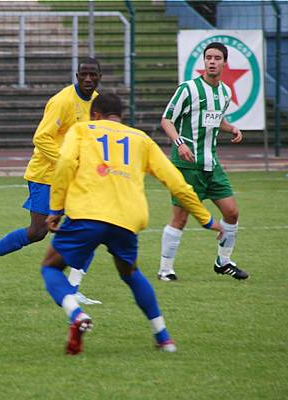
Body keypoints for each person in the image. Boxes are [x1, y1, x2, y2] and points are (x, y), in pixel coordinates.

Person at [40, 93, 223, 355]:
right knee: (131, 273)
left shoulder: (81, 130)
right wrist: (206, 219)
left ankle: (76, 314)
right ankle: (163, 336)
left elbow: (66, 163)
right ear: (121, 117)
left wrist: (56, 207)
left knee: (51, 268)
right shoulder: (140, 139)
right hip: (126, 219)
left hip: (87, 214)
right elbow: (176, 182)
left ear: (95, 114)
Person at [0, 58, 103, 304]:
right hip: (46, 175)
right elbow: (41, 138)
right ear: (77, 75)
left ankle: (73, 287)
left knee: (91, 225)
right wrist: (66, 163)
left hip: (75, 177)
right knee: (38, 232)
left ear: (99, 77)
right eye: (84, 75)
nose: (88, 79)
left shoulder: (97, 102)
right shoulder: (62, 101)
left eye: (93, 75)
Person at [157, 42, 249, 282]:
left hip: (212, 164)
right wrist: (180, 144)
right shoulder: (188, 89)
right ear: (204, 61)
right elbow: (166, 120)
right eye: (208, 57)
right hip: (187, 165)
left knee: (232, 212)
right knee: (180, 218)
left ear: (224, 62)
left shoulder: (225, 92)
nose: (211, 61)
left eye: (217, 58)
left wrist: (231, 128)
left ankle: (223, 261)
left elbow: (214, 120)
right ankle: (165, 270)